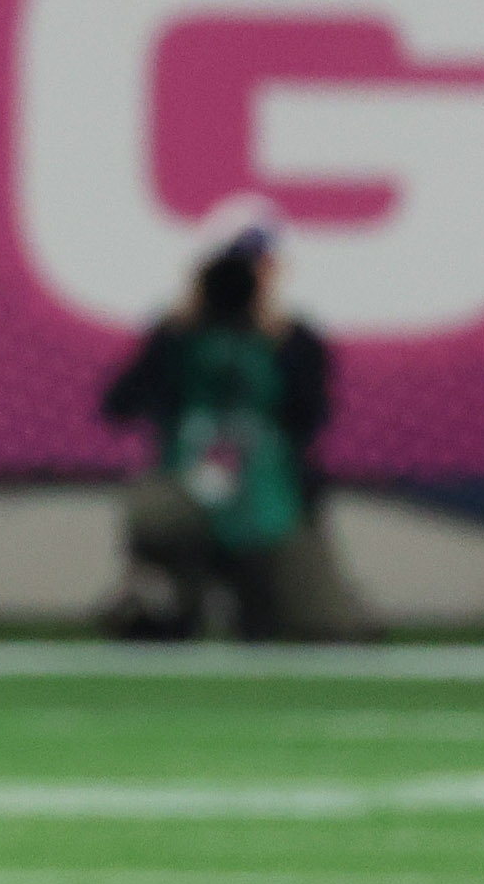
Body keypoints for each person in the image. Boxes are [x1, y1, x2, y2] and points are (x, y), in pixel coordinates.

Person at [98, 205, 368, 641]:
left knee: (326, 630)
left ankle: (264, 601)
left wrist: (275, 344)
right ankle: (168, 599)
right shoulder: (175, 336)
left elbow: (312, 419)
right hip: (188, 501)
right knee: (155, 522)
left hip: (270, 509)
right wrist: (176, 334)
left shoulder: (296, 340)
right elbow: (117, 405)